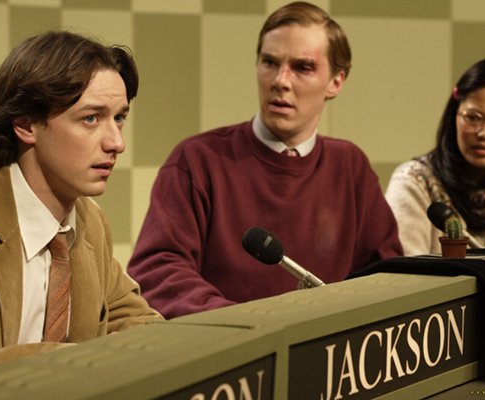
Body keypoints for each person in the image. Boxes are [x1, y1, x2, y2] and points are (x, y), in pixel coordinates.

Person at [127, 1, 403, 318]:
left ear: (336, 82)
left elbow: (386, 278)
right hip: (229, 341)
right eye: (270, 62)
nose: (280, 81)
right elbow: (158, 270)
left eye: (302, 67)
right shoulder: (198, 159)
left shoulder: (350, 166)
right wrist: (245, 323)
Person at [0, 31, 162, 380]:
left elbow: (135, 320)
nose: (117, 143)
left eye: (119, 118)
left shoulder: (90, 221)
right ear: (26, 124)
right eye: (91, 118)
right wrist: (59, 364)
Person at [385, 57, 485, 256]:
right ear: (454, 116)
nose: (484, 133)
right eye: (473, 118)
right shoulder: (413, 182)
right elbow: (404, 272)